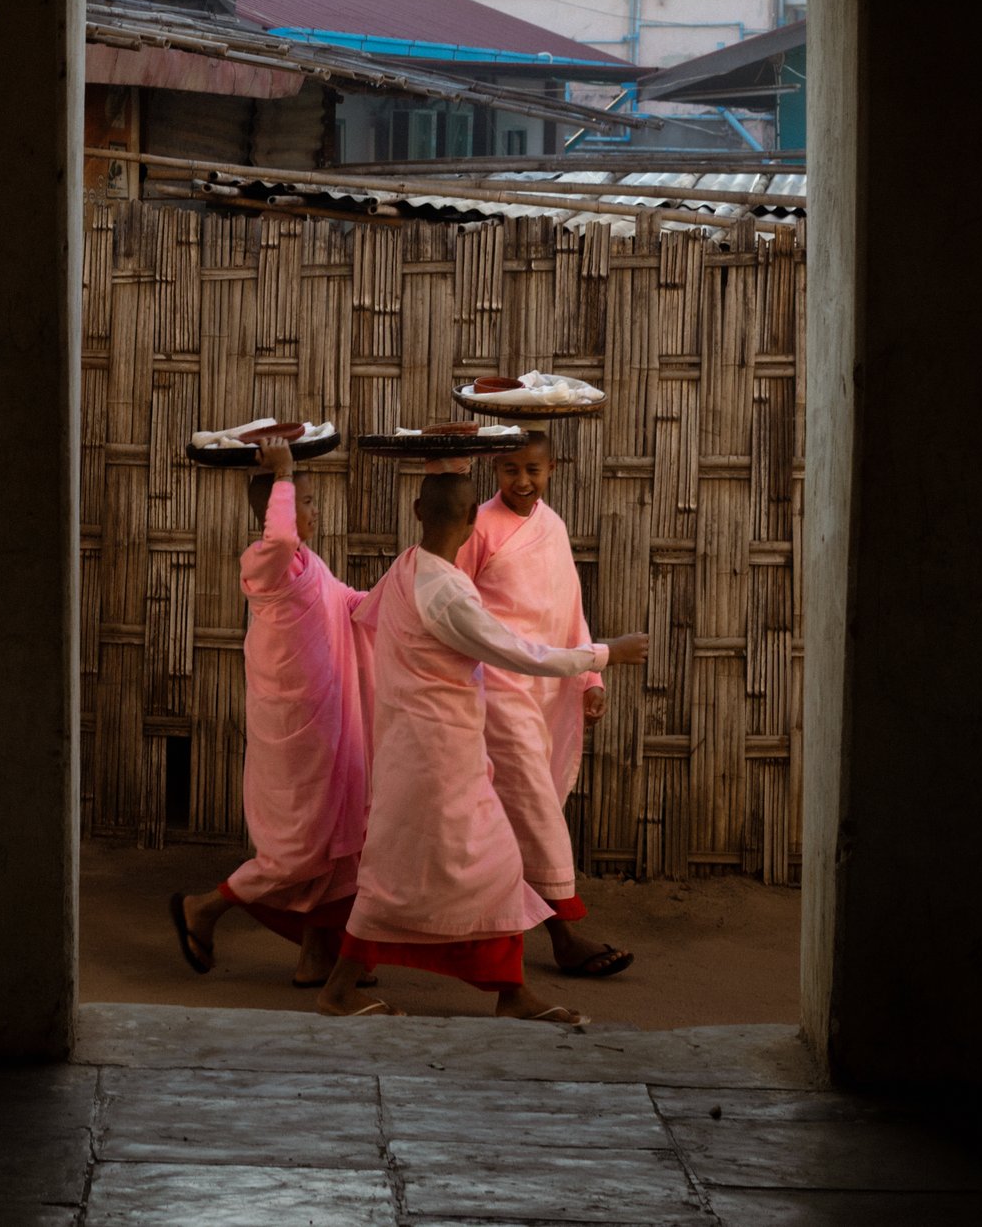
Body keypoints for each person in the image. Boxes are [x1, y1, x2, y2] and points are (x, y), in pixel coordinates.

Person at [318, 469, 647, 1023]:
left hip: (414, 746)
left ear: (418, 511)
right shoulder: (445, 591)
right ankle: (359, 989)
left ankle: (503, 992)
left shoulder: (406, 569)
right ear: (475, 520)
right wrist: (602, 655)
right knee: (488, 863)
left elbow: (363, 612)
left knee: (401, 869)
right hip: (439, 754)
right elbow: (517, 651)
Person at [170, 435, 371, 988]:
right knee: (298, 849)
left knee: (336, 844)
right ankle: (203, 908)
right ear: (275, 508)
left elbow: (348, 602)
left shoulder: (310, 563)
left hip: (329, 721)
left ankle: (315, 956)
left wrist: (409, 592)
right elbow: (280, 535)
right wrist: (283, 471)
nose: (315, 510)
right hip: (294, 727)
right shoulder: (266, 561)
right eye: (305, 500)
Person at [459, 433, 631, 978]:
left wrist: (589, 677)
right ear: (494, 467)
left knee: (519, 811)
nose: (521, 481)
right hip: (499, 686)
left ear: (553, 468)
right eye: (509, 469)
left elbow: (568, 610)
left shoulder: (551, 526)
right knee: (531, 806)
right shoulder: (478, 527)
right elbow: (454, 604)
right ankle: (564, 933)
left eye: (532, 468)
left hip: (549, 686)